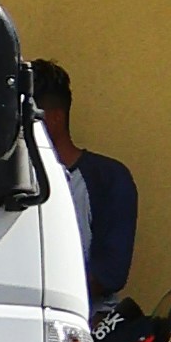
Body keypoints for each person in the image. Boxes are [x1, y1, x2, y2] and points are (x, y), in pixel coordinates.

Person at [32, 58, 140, 311]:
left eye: (26, 116)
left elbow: (111, 273)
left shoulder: (107, 179)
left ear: (54, 118)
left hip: (86, 322)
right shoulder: (9, 182)